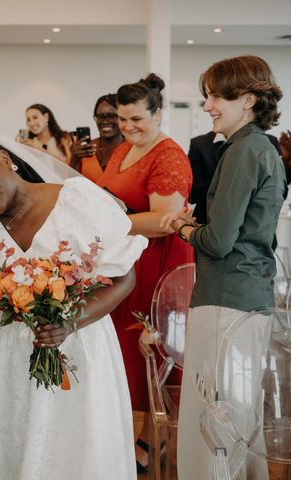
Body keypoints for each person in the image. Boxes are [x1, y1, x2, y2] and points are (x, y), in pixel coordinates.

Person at [0, 129, 147, 479]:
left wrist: (68, 323)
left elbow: (125, 278)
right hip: (9, 355)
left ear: (4, 158)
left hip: (81, 346)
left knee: (78, 447)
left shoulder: (76, 199)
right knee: (12, 445)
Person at [160, 55, 285, 480]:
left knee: (215, 413)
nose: (208, 106)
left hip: (225, 299)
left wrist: (180, 225)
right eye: (207, 96)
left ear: (247, 99)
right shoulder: (259, 148)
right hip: (246, 295)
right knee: (237, 411)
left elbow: (217, 242)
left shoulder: (244, 151)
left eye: (216, 97)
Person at [96, 73, 195, 472]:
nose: (128, 126)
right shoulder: (122, 151)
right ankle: (130, 437)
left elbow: (164, 221)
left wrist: (106, 223)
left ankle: (152, 444)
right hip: (128, 259)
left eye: (137, 118)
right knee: (126, 354)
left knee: (151, 351)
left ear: (158, 112)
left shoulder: (168, 156)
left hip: (158, 264)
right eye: (122, 119)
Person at [188, 130, 283, 223]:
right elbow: (193, 194)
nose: (209, 112)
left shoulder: (269, 142)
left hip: (254, 224)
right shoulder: (199, 144)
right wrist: (234, 179)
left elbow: (279, 192)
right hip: (207, 222)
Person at [69, 93, 124, 182]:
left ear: (122, 117)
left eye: (111, 116)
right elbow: (69, 185)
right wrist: (74, 160)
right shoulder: (84, 149)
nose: (105, 121)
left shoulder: (131, 148)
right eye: (100, 116)